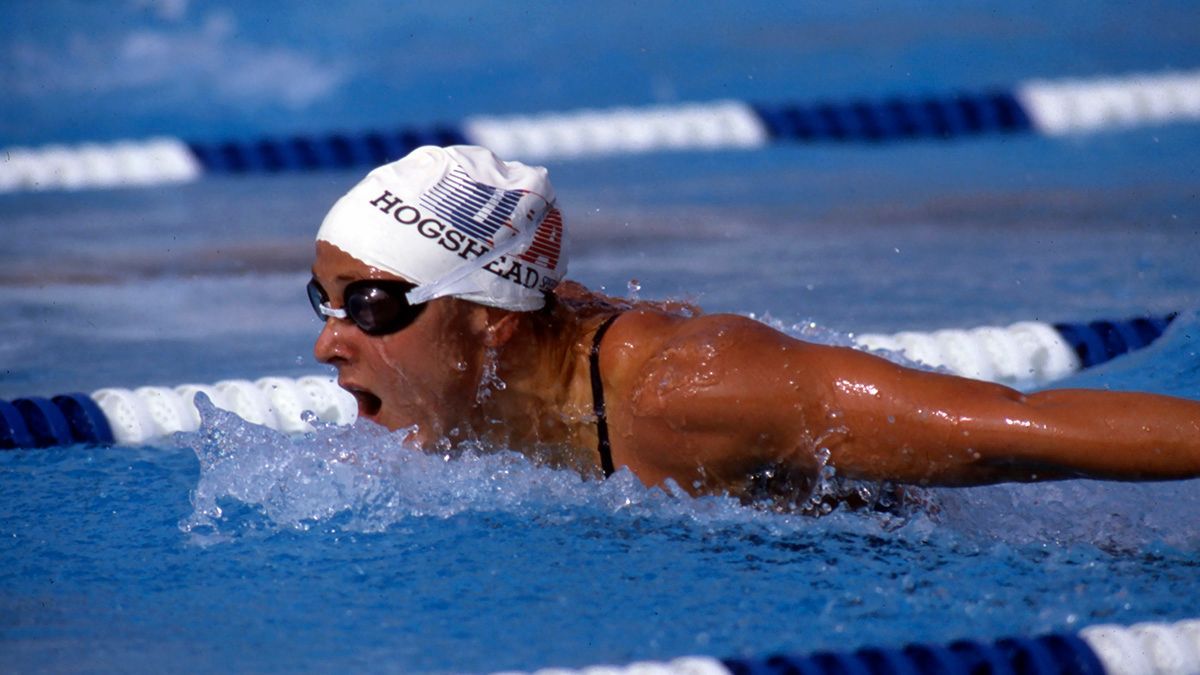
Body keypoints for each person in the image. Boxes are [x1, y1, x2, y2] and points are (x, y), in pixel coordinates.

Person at [308, 145, 1200, 507]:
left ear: (491, 323)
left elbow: (1016, 430)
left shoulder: (698, 390)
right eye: (326, 299)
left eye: (373, 303)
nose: (329, 340)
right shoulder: (460, 387)